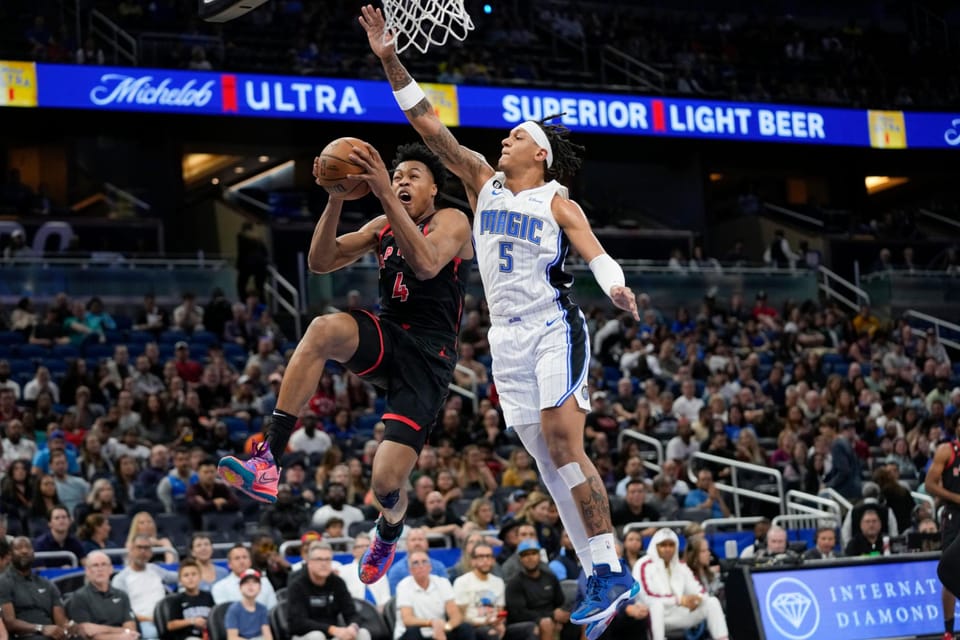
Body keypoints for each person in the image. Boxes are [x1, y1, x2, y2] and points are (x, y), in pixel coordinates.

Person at [359, 7, 640, 634]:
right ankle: (598, 574)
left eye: (515, 136)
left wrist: (617, 287)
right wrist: (388, 58)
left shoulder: (554, 199)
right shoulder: (482, 182)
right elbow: (428, 125)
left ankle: (611, 568)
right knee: (546, 462)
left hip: (551, 325)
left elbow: (595, 251)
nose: (503, 139)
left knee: (567, 444)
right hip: (504, 339)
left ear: (538, 154)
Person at [218, 143, 472, 584]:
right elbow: (320, 262)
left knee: (385, 483)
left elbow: (428, 264)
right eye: (396, 176)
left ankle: (389, 530)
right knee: (322, 329)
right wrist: (336, 196)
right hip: (390, 336)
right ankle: (268, 461)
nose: (401, 182)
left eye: (413, 176)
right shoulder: (382, 225)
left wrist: (384, 195)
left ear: (433, 188)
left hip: (430, 358)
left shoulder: (453, 220)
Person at [633, 529, 729, 640]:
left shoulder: (680, 566)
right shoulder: (643, 564)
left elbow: (699, 591)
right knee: (656, 606)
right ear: (655, 546)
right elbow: (647, 597)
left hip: (677, 612)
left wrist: (697, 599)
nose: (668, 549)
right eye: (663, 545)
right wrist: (680, 600)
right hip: (652, 614)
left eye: (671, 545)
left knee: (712, 602)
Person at [287, 541, 370, 640]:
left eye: (327, 559)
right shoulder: (297, 585)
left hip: (332, 634)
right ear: (309, 562)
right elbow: (298, 623)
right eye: (319, 559)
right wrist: (332, 629)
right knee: (317, 636)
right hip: (305, 636)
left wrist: (353, 627)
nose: (324, 564)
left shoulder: (337, 582)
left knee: (362, 633)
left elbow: (352, 613)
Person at [926, 423, 960, 640]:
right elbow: (930, 484)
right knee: (949, 570)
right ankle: (948, 630)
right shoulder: (947, 450)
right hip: (954, 514)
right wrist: (956, 498)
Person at [110, 535, 178, 639]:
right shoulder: (121, 579)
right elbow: (121, 610)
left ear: (151, 552)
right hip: (141, 623)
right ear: (131, 550)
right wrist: (148, 619)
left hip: (165, 619)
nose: (143, 551)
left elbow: (179, 577)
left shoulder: (155, 570)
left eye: (146, 548)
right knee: (151, 634)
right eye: (139, 547)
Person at [393, 550, 471, 640]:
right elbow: (407, 619)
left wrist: (446, 627)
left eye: (424, 562)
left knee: (465, 627)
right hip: (414, 634)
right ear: (410, 570)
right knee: (413, 631)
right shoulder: (403, 585)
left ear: (430, 567)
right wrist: (432, 623)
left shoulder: (442, 582)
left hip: (440, 631)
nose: (421, 566)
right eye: (415, 563)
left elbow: (455, 615)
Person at [0, 537, 67, 640]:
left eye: (28, 547)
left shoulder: (47, 584)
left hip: (50, 634)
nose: (24, 551)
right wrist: (41, 628)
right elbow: (9, 622)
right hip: (23, 636)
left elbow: (60, 622)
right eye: (19, 548)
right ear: (10, 554)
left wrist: (69, 629)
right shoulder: (3, 582)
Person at [64, 551, 139, 640]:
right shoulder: (79, 597)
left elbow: (131, 629)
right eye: (95, 565)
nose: (100, 569)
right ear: (87, 571)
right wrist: (121, 634)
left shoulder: (122, 595)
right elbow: (87, 633)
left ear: (111, 569)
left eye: (104, 564)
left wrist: (99, 628)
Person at [451, 543, 506, 639]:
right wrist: (484, 622)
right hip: (472, 627)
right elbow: (460, 618)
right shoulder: (462, 582)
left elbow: (500, 611)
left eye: (488, 556)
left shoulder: (498, 582)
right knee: (491, 633)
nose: (485, 560)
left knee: (528, 628)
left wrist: (499, 623)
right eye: (480, 557)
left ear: (493, 560)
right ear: (473, 561)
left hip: (493, 624)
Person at [211, 545, 277, 608]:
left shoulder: (264, 582)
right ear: (229, 564)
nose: (242, 561)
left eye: (245, 557)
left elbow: (273, 609)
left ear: (250, 562)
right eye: (237, 558)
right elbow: (224, 614)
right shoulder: (219, 587)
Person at [165, 559, 214, 640]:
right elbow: (170, 625)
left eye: (194, 574)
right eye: (186, 575)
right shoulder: (176, 599)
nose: (190, 578)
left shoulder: (209, 597)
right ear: (180, 580)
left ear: (200, 577)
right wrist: (192, 621)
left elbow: (215, 618)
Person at [224, 570, 272, 640]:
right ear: (240, 587)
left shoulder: (263, 609)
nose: (250, 585)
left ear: (260, 588)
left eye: (255, 582)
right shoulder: (234, 610)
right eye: (246, 582)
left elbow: (267, 635)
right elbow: (232, 637)